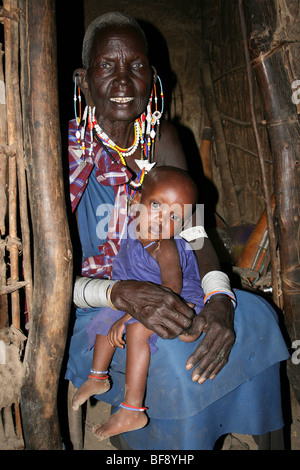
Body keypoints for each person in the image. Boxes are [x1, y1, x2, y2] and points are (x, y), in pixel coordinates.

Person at [65, 12, 289, 450]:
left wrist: (218, 297)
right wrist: (118, 293)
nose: (124, 80)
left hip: (170, 284)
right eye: (107, 66)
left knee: (255, 316)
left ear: (153, 77)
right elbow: (42, 274)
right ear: (83, 79)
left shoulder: (164, 140)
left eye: (137, 66)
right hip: (91, 303)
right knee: (168, 351)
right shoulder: (60, 151)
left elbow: (194, 230)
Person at [71, 166, 206, 440]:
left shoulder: (165, 246)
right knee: (104, 316)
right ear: (137, 201)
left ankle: (133, 409)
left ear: (183, 224)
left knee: (135, 330)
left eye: (174, 216)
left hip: (176, 298)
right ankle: (98, 377)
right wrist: (120, 311)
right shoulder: (131, 234)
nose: (161, 218)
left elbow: (171, 289)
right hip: (143, 296)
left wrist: (129, 317)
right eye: (156, 204)